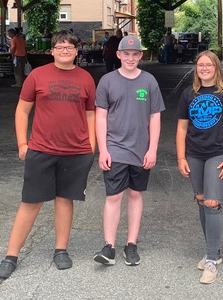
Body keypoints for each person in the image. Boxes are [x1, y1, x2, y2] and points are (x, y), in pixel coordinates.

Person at [0, 31, 96, 280]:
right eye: (60, 46)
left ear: (77, 51)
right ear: (52, 51)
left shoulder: (86, 78)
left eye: (70, 47)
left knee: (65, 200)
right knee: (30, 202)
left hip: (75, 152)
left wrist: (91, 145)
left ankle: (61, 250)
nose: (65, 50)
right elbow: (22, 111)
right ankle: (11, 255)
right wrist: (23, 143)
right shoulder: (37, 76)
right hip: (41, 149)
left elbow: (90, 114)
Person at [93, 35, 165, 267]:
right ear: (118, 55)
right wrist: (103, 149)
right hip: (115, 148)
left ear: (140, 56)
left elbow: (155, 117)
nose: (131, 58)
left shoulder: (149, 81)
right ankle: (109, 246)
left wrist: (152, 149)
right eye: (126, 54)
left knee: (135, 194)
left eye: (135, 54)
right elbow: (101, 117)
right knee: (113, 196)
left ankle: (131, 244)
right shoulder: (107, 81)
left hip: (140, 149)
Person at [176, 50, 223, 284]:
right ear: (196, 68)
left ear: (216, 67)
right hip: (195, 154)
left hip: (219, 154)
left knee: (213, 204)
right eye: (200, 65)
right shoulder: (188, 94)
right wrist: (181, 157)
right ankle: (213, 251)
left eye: (209, 65)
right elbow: (182, 128)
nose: (204, 68)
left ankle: (212, 260)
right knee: (202, 200)